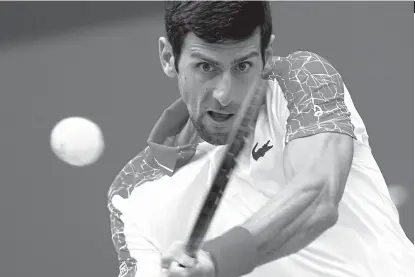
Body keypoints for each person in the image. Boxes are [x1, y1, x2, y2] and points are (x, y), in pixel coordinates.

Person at [107, 1, 414, 277]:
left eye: (242, 66)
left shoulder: (299, 81)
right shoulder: (132, 196)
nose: (224, 94)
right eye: (205, 67)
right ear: (168, 58)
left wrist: (217, 259)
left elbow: (319, 195)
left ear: (266, 56)